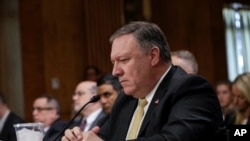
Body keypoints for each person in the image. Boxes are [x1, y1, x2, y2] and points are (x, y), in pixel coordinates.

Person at [62, 21, 226, 141]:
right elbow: (102, 137)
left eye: (124, 60)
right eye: (114, 62)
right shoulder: (126, 98)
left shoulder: (191, 89)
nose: (115, 71)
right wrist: (80, 138)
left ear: (153, 56)